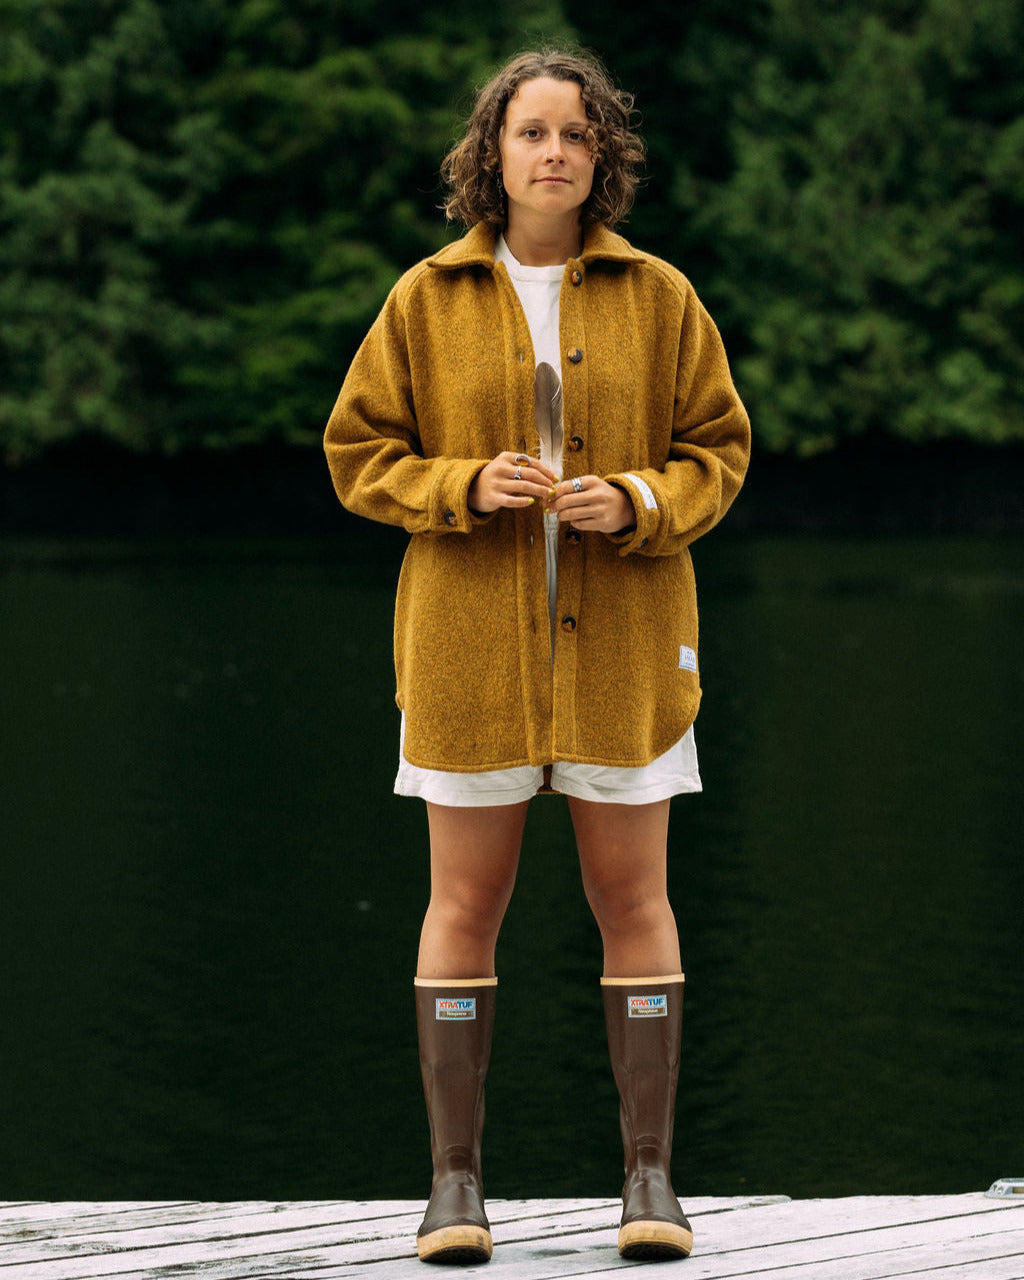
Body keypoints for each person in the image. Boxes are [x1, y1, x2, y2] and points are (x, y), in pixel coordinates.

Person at [324, 48, 749, 1266]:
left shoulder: (661, 296)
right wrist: (461, 483)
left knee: (635, 900)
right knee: (463, 903)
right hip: (466, 658)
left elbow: (717, 451)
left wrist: (637, 499)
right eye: (530, 133)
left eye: (576, 133)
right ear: (492, 156)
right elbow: (358, 454)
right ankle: (453, 1186)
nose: (554, 151)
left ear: (602, 156)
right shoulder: (426, 297)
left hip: (625, 654)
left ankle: (651, 1179)